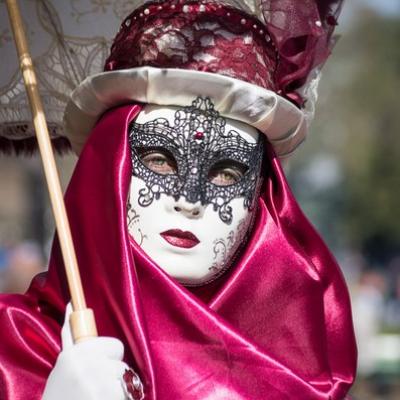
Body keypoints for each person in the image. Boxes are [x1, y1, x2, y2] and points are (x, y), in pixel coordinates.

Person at [0, 1, 357, 399]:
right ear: (106, 173)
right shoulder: (12, 351)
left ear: (262, 196)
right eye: (159, 160)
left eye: (226, 172)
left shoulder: (303, 372)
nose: (189, 201)